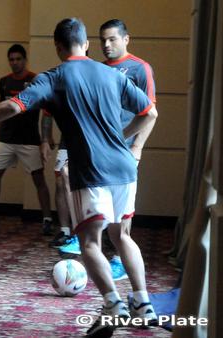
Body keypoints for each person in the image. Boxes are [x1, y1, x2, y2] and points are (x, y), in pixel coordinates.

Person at [0, 18, 158, 338]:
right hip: (125, 166)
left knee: (89, 242)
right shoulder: (112, 74)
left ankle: (114, 306)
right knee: (123, 236)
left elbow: (13, 106)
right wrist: (122, 141)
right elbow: (150, 113)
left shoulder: (54, 77)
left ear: (58, 47)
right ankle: (144, 304)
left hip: (92, 170)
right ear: (86, 44)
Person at [0, 44, 53, 234]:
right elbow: (1, 109)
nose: (15, 62)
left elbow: (46, 110)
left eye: (18, 59)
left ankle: (47, 219)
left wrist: (46, 137)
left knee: (38, 179)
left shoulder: (35, 80)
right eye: (11, 59)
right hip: (7, 138)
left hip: (29, 139)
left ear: (25, 60)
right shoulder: (4, 82)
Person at [100, 18, 157, 282]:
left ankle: (119, 260)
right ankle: (105, 254)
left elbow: (150, 112)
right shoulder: (98, 69)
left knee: (122, 212)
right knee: (104, 208)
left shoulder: (139, 68)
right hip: (102, 151)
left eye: (112, 39)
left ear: (126, 39)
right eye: (103, 40)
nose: (107, 44)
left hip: (125, 152)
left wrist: (136, 148)